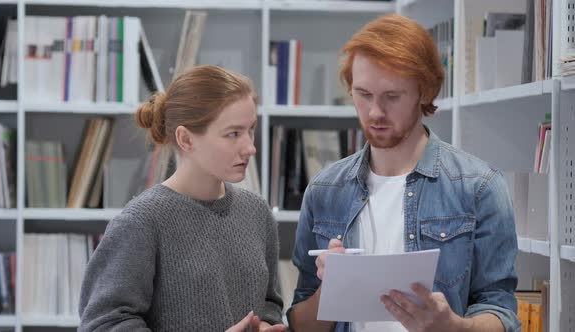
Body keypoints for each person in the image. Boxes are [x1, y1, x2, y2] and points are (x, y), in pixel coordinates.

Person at [287, 14, 519, 332]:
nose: (375, 112)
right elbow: (301, 324)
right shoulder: (325, 190)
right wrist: (330, 289)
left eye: (392, 97)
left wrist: (455, 327)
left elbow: (502, 311)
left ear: (424, 93)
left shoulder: (480, 187)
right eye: (363, 94)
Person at [78, 65, 286, 332]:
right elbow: (103, 324)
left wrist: (267, 323)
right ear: (186, 139)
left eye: (251, 130)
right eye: (233, 133)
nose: (250, 147)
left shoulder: (257, 212)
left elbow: (269, 301)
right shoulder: (141, 222)